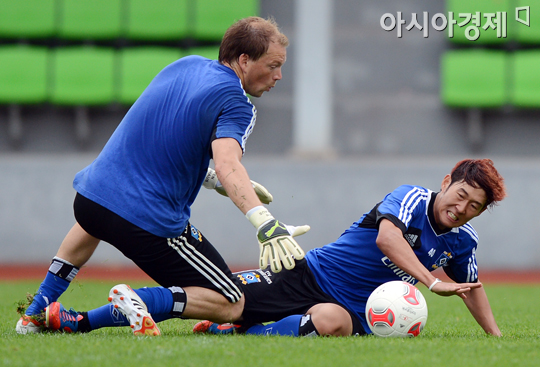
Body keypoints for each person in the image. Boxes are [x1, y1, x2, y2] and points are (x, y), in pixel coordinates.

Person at [16, 16, 310, 335]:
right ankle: (135, 302)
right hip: (148, 222)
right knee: (230, 302)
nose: (278, 76)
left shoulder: (185, 66)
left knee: (97, 216)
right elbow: (229, 164)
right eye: (273, 65)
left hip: (90, 200)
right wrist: (265, 223)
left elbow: (165, 136)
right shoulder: (238, 102)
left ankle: (35, 313)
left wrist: (210, 178)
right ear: (244, 60)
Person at [41, 159, 506, 337]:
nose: (463, 208)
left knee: (332, 323)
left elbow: (472, 285)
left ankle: (239, 334)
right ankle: (79, 322)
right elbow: (387, 237)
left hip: (359, 312)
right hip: (308, 275)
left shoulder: (464, 240)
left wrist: (495, 338)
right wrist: (430, 281)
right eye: (461, 195)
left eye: (474, 207)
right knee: (221, 299)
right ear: (446, 182)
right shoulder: (412, 198)